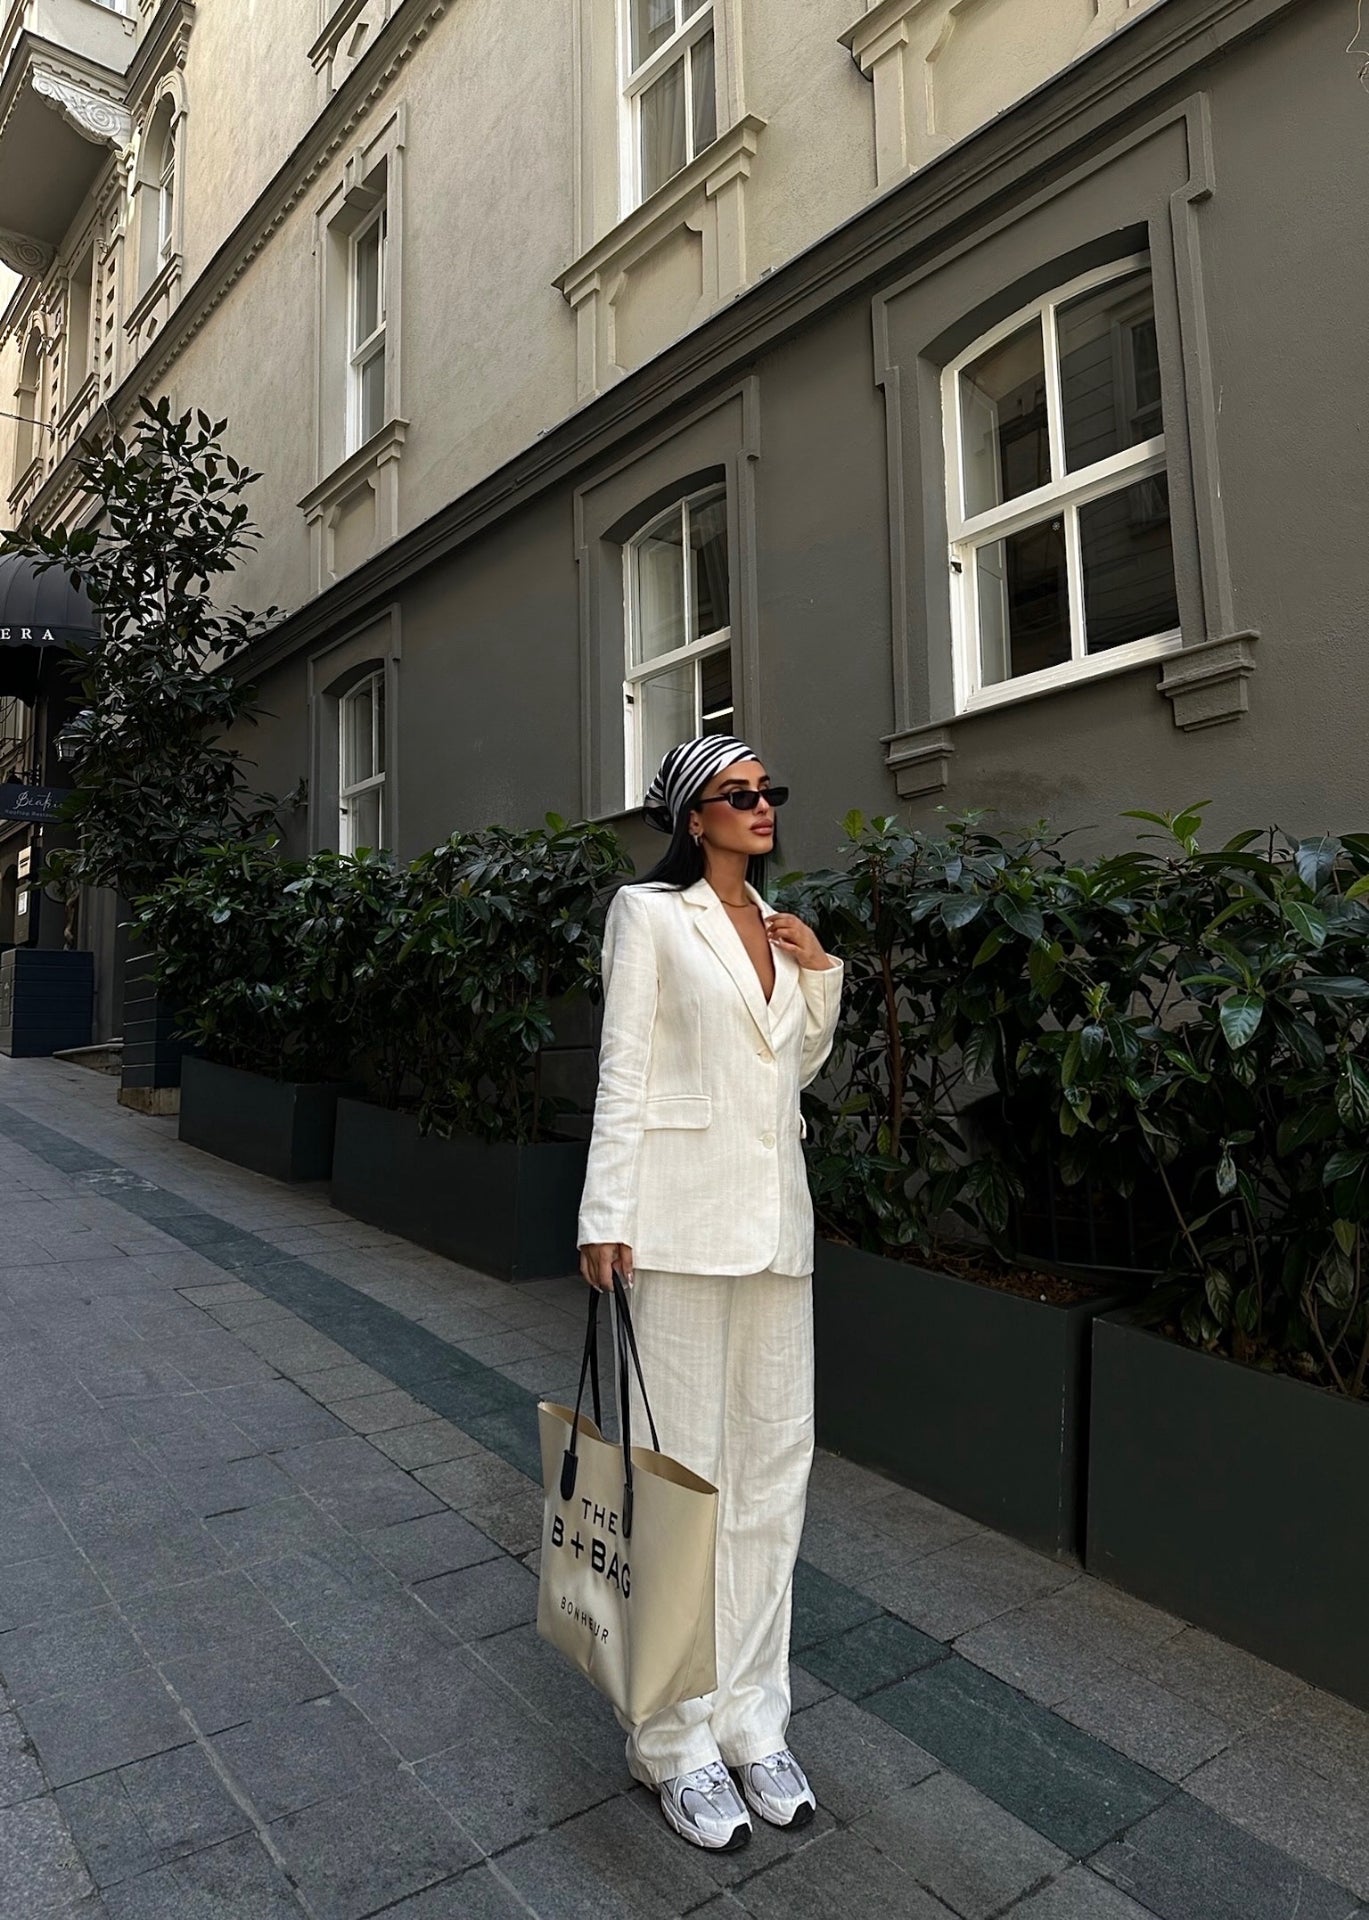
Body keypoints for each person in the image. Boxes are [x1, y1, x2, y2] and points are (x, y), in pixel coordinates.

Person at [576, 734, 843, 1853]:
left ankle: (751, 1719)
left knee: (772, 1476)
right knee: (677, 1480)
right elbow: (624, 1067)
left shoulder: (780, 927)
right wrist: (605, 1212)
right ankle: (672, 1739)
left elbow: (793, 1071)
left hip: (776, 1232)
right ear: (695, 819)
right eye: (737, 794)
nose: (760, 805)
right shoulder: (649, 916)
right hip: (677, 1228)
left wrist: (817, 972)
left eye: (767, 789)